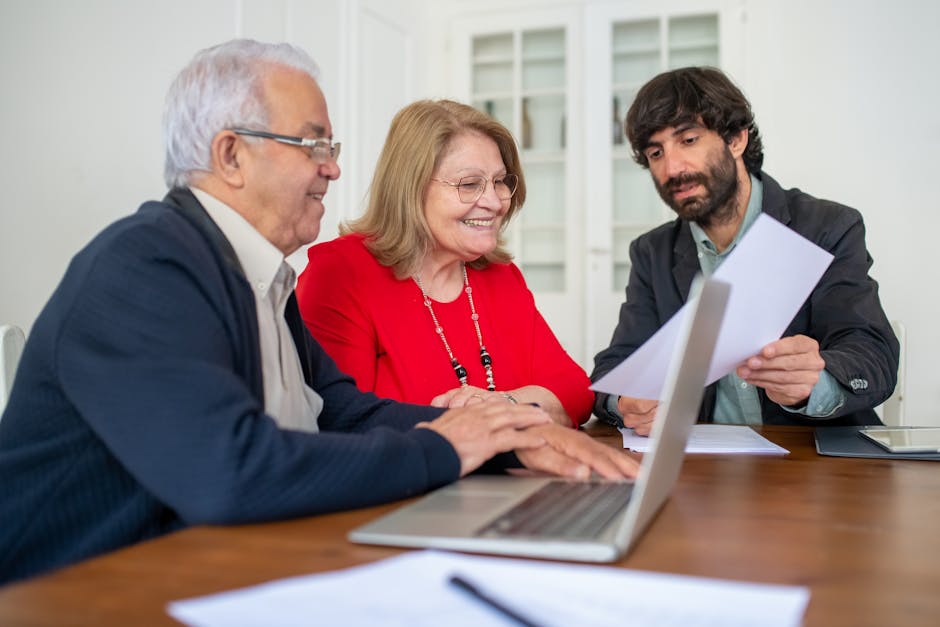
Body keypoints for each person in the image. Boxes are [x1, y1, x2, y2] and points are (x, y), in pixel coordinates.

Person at [0, 40, 637, 585]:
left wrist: (505, 438)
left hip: (206, 566)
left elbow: (345, 411)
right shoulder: (146, 265)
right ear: (231, 156)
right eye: (313, 144)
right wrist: (449, 447)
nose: (333, 168)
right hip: (81, 592)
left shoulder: (258, 276)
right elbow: (231, 471)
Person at [592, 66, 899, 435]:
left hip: (815, 463)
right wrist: (625, 401)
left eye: (688, 140)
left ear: (736, 139)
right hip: (702, 468)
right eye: (656, 152)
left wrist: (814, 381)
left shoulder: (826, 227)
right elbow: (614, 369)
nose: (671, 168)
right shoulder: (652, 252)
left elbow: (873, 355)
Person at [295, 99, 593, 428]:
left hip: (514, 478)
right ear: (412, 188)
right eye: (470, 184)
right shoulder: (341, 272)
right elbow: (342, 421)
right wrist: (509, 415)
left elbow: (576, 391)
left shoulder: (500, 276)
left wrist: (506, 403)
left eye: (500, 181)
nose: (495, 202)